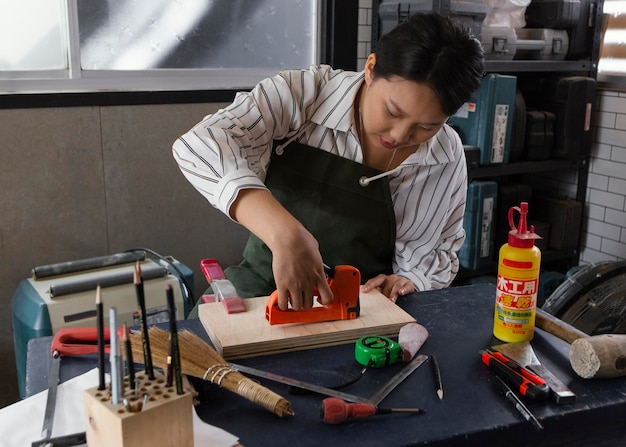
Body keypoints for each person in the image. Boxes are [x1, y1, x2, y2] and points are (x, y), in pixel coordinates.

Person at [173, 12, 485, 313]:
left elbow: (436, 252)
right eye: (392, 111)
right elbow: (199, 144)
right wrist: (285, 234)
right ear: (371, 68)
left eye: (427, 126)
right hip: (260, 288)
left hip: (360, 308)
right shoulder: (307, 95)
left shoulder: (444, 156)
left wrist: (409, 280)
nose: (401, 134)